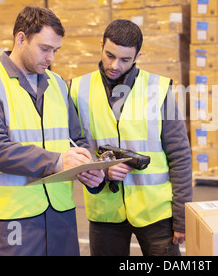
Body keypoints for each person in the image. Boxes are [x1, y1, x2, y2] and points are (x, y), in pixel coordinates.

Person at [0, 6, 105, 256]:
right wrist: (58, 161)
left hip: (60, 214)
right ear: (21, 38)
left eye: (55, 50)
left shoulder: (58, 84)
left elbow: (76, 139)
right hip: (13, 216)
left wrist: (89, 168)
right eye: (45, 48)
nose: (51, 58)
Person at [70, 19, 192, 256]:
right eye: (110, 55)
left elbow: (180, 156)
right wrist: (103, 170)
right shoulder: (77, 89)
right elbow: (72, 147)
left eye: (125, 59)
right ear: (101, 46)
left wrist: (182, 216)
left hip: (155, 212)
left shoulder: (158, 89)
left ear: (138, 56)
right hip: (105, 211)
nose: (115, 65)